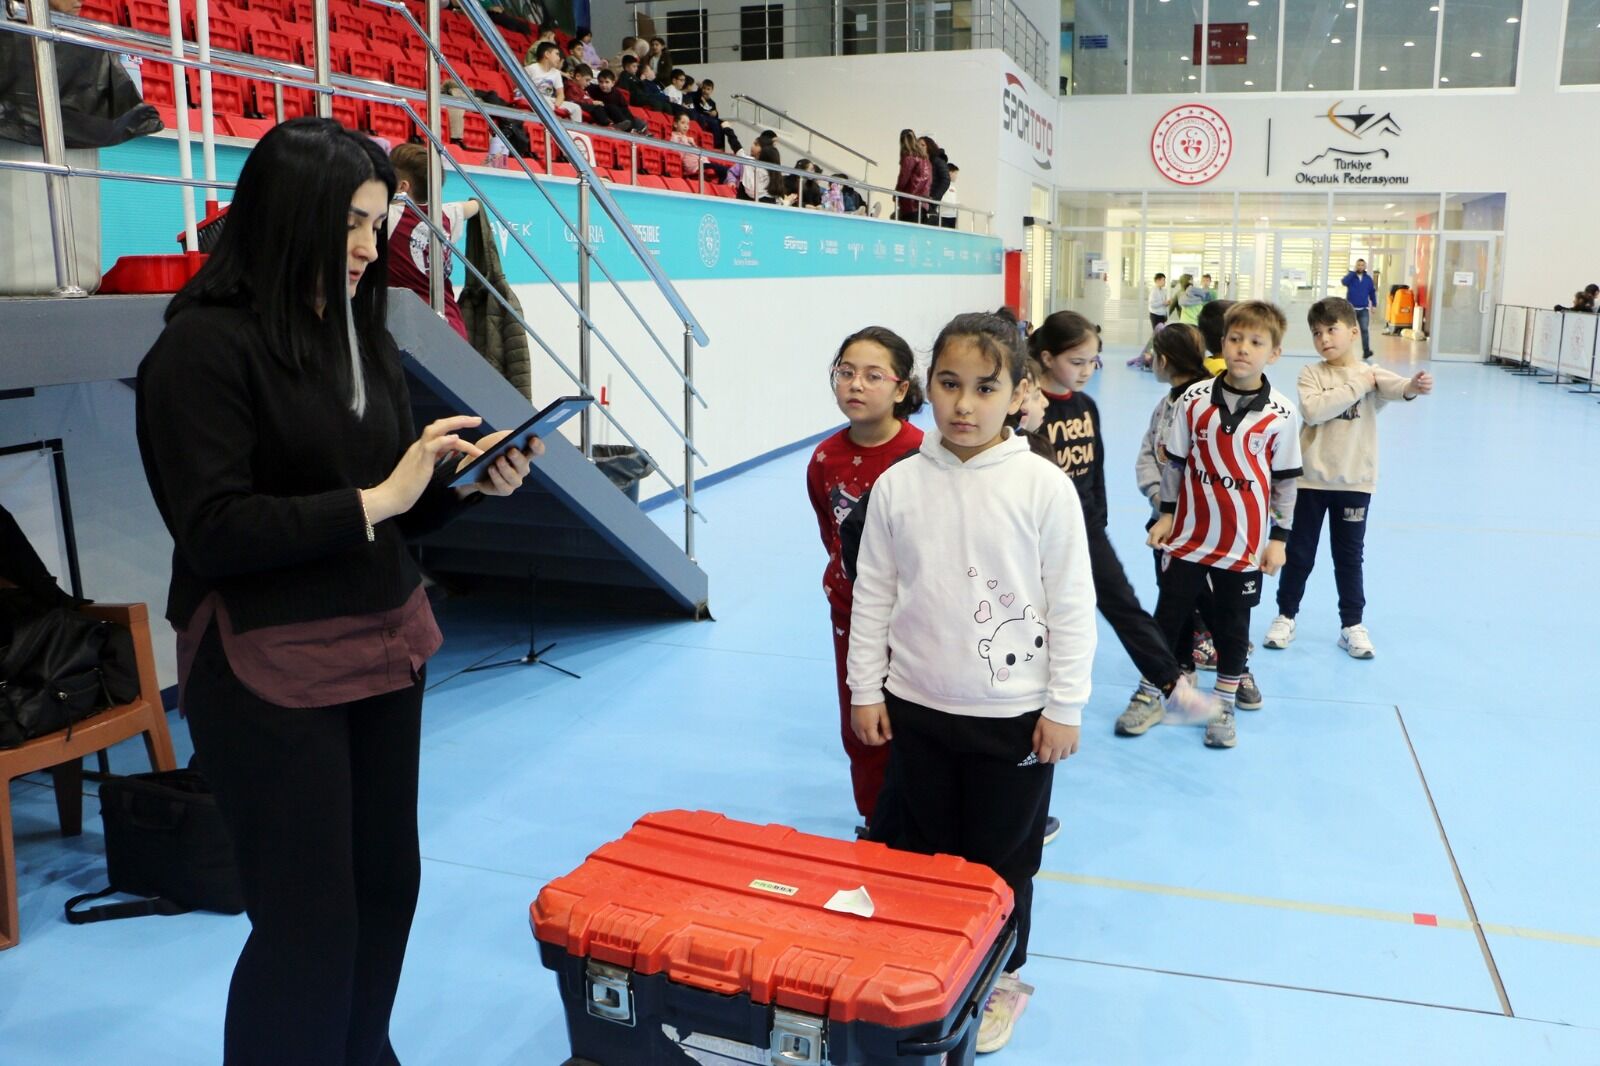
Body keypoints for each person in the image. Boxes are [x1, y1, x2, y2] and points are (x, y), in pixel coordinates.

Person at [134, 117, 536, 1065]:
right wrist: (379, 497)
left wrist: (459, 486)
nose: (369, 247)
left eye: (378, 222)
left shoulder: (360, 332)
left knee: (385, 887)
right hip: (267, 663)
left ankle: (362, 1051)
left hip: (382, 645)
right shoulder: (200, 351)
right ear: (286, 214)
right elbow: (217, 530)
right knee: (307, 922)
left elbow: (389, 512)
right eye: (350, 222)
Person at [848, 311, 1094, 1054]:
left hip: (1013, 718)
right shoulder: (898, 485)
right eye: (949, 384)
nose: (963, 404)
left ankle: (1002, 980)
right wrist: (867, 688)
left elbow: (1070, 601)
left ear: (1020, 392)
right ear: (926, 387)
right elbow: (875, 592)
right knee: (917, 847)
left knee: (1003, 858)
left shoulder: (1043, 487)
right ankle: (924, 963)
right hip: (916, 706)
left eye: (985, 388)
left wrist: (1065, 705)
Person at [1030, 312, 1219, 740]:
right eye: (1076, 361)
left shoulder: (1085, 405)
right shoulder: (1026, 414)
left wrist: (1097, 522)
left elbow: (1093, 469)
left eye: (1092, 362)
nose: (1085, 371)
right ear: (1047, 356)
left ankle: (1173, 688)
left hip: (1085, 531)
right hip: (1037, 538)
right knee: (1040, 620)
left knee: (1125, 606)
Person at [1148, 300, 1303, 749]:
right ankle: (1158, 692)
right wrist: (1166, 514)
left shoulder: (1282, 413)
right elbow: (1175, 466)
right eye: (1235, 339)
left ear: (1273, 353)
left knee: (1234, 626)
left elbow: (1286, 485)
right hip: (1189, 538)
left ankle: (1224, 705)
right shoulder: (1194, 401)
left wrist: (1279, 539)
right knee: (1168, 615)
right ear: (1222, 343)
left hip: (1244, 545)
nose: (1243, 349)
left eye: (1256, 342)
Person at [1263, 298, 1432, 660]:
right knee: (1299, 554)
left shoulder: (1372, 372)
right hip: (1310, 482)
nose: (1324, 338)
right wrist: (1359, 385)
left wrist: (1414, 385)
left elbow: (1398, 387)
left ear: (1354, 332)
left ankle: (1351, 625)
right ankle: (1285, 615)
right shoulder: (1312, 374)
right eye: (1316, 333)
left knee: (1349, 556)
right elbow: (1314, 408)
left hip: (1355, 483)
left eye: (1332, 330)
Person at [807, 328, 925, 835]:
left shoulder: (925, 455)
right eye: (846, 372)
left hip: (918, 617)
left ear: (901, 389)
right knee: (864, 722)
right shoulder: (824, 459)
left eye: (874, 376)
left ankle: (924, 815)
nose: (857, 385)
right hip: (851, 614)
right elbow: (830, 533)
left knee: (918, 722)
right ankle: (876, 819)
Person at [1129, 322, 1224, 714]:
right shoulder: (1164, 405)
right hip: (1164, 522)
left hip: (1200, 524)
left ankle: (1235, 668)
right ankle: (1181, 664)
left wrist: (1183, 508)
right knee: (1169, 591)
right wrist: (1158, 499)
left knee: (1203, 596)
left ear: (1164, 360)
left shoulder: (1207, 403)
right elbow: (1149, 454)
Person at [385, 143, 479, 342]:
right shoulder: (445, 215)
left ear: (402, 187)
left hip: (412, 332)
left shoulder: (388, 217)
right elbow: (474, 206)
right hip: (453, 327)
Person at [525, 41, 581, 122]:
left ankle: (574, 133)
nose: (559, 58)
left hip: (550, 101)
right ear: (547, 54)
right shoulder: (531, 68)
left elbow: (560, 94)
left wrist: (556, 106)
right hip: (533, 98)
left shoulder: (556, 73)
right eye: (557, 54)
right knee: (547, 102)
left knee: (576, 108)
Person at [1341, 258, 1379, 360]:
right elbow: (1344, 282)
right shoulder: (1351, 277)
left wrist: (1374, 305)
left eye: (1362, 265)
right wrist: (1352, 273)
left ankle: (1366, 352)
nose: (1360, 267)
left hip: (1363, 309)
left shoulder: (1368, 279)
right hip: (1351, 309)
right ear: (1356, 266)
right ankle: (1344, 351)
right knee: (1348, 331)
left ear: (1365, 267)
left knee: (1365, 330)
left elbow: (1372, 293)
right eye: (1358, 265)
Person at [893, 128, 930, 223]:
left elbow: (903, 178)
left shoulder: (909, 157)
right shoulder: (924, 158)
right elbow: (928, 180)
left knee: (907, 233)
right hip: (923, 202)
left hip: (911, 202)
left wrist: (897, 193)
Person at [920, 135, 950, 226]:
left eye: (922, 145)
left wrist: (934, 198)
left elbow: (945, 180)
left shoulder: (938, 161)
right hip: (919, 200)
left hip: (929, 201)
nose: (919, 147)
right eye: (917, 145)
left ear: (929, 147)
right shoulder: (920, 161)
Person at [939, 163, 960, 228]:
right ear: (950, 173)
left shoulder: (953, 188)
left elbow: (953, 200)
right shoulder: (942, 185)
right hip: (943, 215)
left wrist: (957, 204)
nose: (956, 176)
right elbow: (940, 199)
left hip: (953, 216)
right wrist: (953, 204)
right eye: (955, 173)